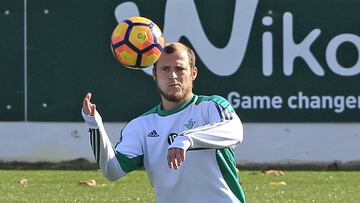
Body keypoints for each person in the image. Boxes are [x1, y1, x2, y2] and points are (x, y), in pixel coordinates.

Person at [82, 42, 246, 203]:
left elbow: (235, 131)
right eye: (165, 69)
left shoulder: (211, 106)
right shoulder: (141, 125)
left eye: (180, 69)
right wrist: (94, 124)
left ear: (193, 73)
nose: (173, 76)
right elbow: (112, 170)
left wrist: (186, 139)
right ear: (154, 74)